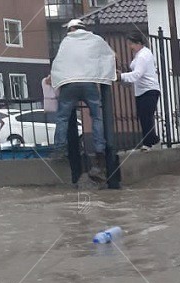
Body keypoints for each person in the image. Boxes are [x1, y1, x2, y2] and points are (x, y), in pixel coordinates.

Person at [50, 18, 116, 179]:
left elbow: (59, 63)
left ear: (71, 29)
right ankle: (100, 151)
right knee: (97, 117)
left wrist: (54, 78)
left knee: (63, 117)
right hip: (89, 83)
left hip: (69, 84)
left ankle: (60, 149)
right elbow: (111, 55)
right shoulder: (95, 39)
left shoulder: (66, 42)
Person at [118, 32, 162, 151]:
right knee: (144, 117)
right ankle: (154, 141)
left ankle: (148, 143)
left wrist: (121, 76)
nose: (130, 47)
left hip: (149, 90)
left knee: (146, 117)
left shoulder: (143, 56)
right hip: (142, 91)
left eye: (131, 44)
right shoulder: (140, 54)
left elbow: (137, 74)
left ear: (138, 43)